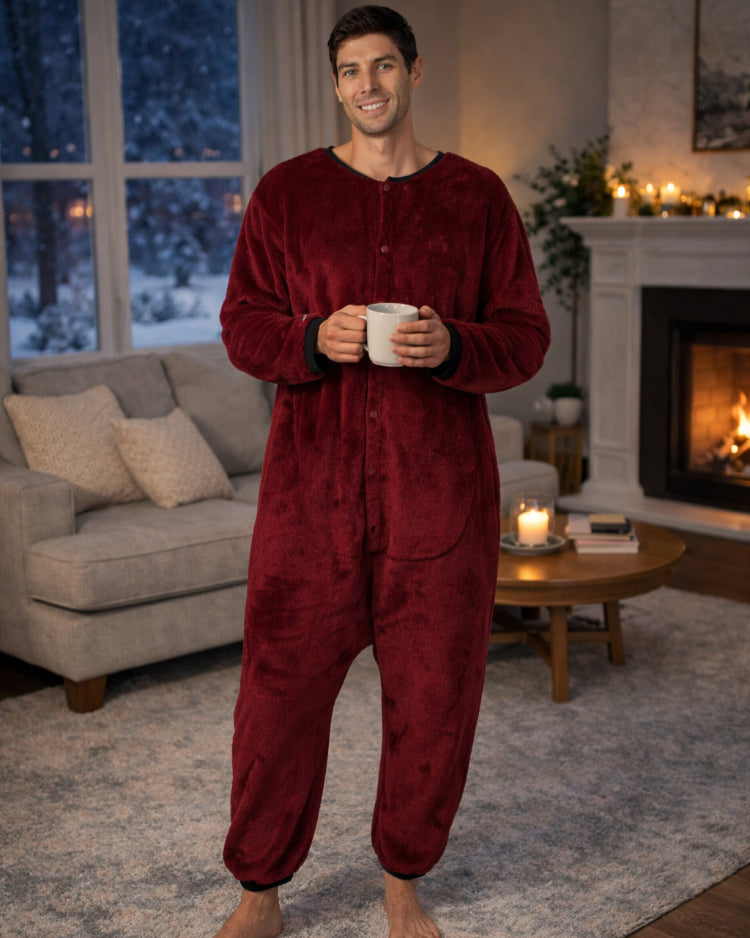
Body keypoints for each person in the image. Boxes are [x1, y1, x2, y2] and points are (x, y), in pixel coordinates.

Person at [213, 6, 550, 937]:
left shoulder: (478, 196)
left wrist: (454, 343)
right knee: (276, 702)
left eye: (385, 66)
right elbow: (243, 325)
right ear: (334, 84)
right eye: (351, 69)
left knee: (434, 702)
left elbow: (525, 338)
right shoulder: (285, 195)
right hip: (308, 510)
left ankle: (405, 880)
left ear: (413, 73)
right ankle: (259, 888)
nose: (368, 84)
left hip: (438, 505)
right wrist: (312, 337)